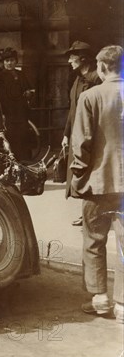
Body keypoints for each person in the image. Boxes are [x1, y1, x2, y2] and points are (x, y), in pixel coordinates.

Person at [69, 45, 123, 323]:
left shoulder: (90, 97)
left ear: (101, 68)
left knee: (94, 240)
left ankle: (100, 299)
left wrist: (78, 180)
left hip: (99, 183)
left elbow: (81, 145)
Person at [61, 41, 103, 225]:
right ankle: (87, 213)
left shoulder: (96, 79)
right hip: (77, 134)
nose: (69, 60)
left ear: (83, 58)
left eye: (72, 56)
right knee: (81, 174)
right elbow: (72, 109)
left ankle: (95, 214)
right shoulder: (77, 79)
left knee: (91, 172)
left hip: (92, 135)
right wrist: (66, 134)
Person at [0, 47, 34, 160]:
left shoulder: (21, 74)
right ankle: (13, 161)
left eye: (12, 60)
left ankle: (24, 160)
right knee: (11, 136)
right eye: (7, 61)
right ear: (3, 62)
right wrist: (2, 113)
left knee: (22, 135)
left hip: (21, 111)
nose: (9, 63)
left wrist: (29, 93)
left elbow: (29, 89)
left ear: (16, 61)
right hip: (8, 112)